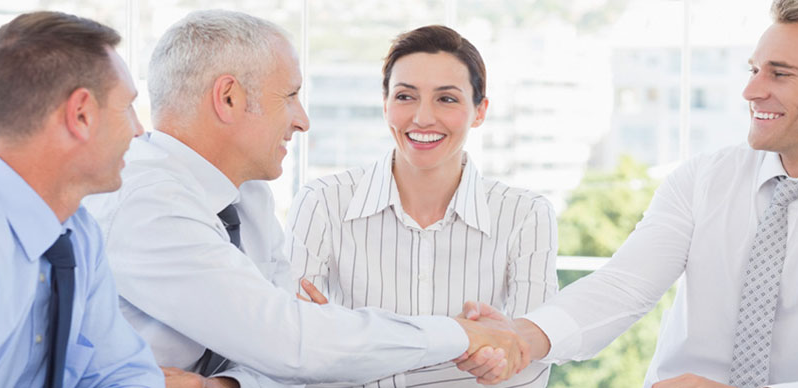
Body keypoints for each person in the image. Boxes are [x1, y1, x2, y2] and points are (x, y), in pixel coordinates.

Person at [455, 0, 798, 386]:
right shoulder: (704, 178)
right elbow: (623, 286)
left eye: (779, 74)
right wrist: (524, 335)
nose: (751, 91)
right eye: (753, 70)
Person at [83, 10, 526, 388]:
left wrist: (223, 384)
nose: (303, 120)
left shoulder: (245, 193)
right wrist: (461, 335)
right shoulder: (146, 203)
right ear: (229, 98)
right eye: (291, 96)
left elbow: (288, 351)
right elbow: (294, 342)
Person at [286, 25, 556, 388]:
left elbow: (527, 366)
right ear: (385, 106)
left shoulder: (526, 215)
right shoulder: (322, 202)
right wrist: (463, 342)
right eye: (405, 97)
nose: (423, 118)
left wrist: (350, 336)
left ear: (480, 111)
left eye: (446, 99)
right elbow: (296, 348)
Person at [0, 11, 163, 388]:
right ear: (80, 115)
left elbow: (123, 372)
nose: (139, 131)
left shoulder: (78, 233)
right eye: (127, 107)